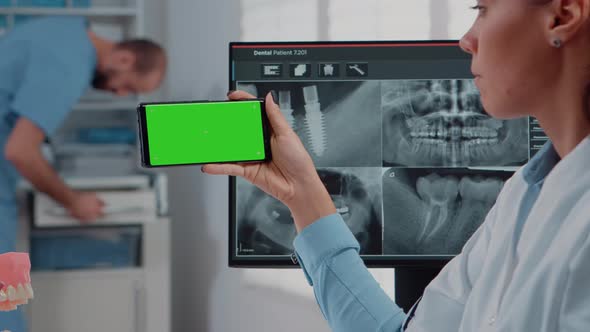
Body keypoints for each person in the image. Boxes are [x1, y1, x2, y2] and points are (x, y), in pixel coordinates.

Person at [204, 0, 590, 330]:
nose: (466, 39)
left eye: (483, 9)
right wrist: (302, 191)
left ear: (563, 14)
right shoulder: (524, 195)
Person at [0, 16, 166, 330]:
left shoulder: (63, 30)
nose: (119, 94)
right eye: (128, 85)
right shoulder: (71, 63)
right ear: (124, 58)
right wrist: (72, 201)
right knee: (5, 294)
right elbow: (20, 150)